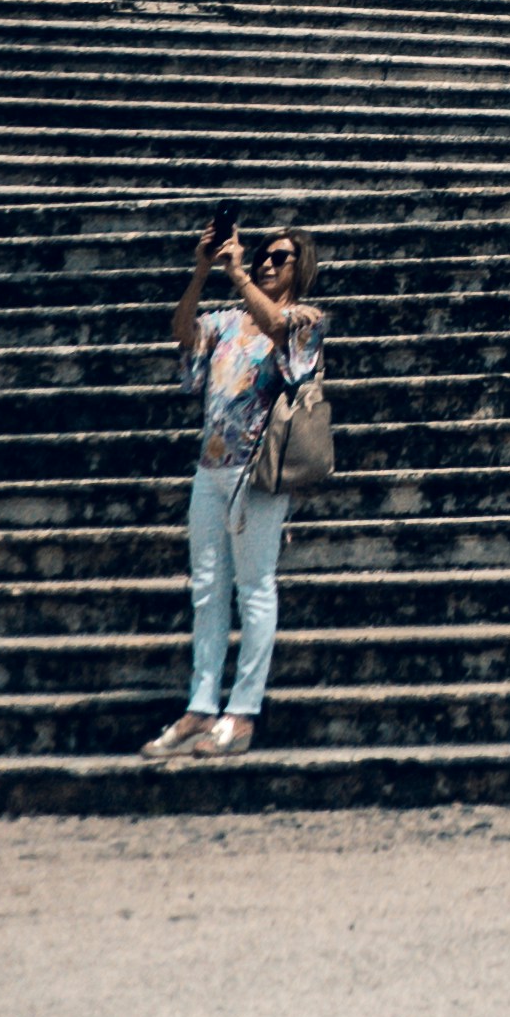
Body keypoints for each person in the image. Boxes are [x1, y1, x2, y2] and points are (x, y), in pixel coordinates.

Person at [146, 205, 325, 768]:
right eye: (265, 254)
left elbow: (276, 329)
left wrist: (240, 274)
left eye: (281, 257)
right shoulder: (225, 319)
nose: (270, 263)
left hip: (260, 471)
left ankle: (241, 712)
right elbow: (182, 335)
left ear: (301, 268)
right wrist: (203, 271)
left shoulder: (305, 320)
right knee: (205, 588)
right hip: (210, 467)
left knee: (254, 587)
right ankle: (201, 704)